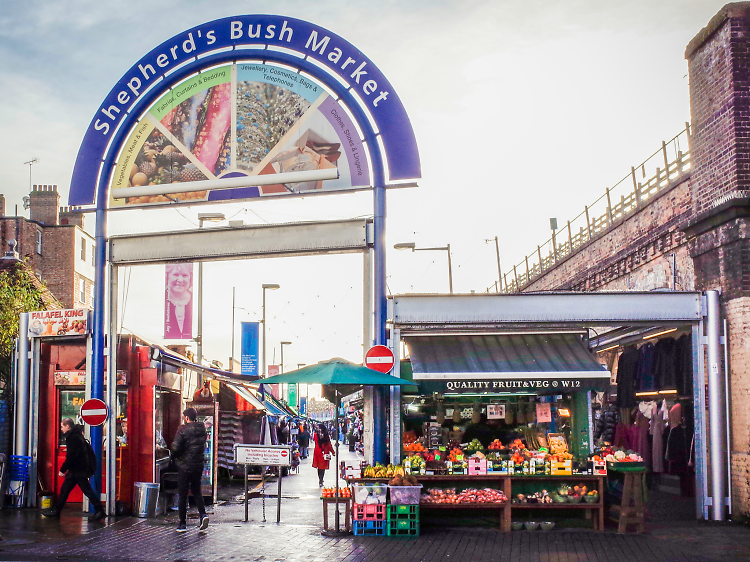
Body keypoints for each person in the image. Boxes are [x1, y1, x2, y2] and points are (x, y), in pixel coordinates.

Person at [42, 418, 106, 520]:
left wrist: (62, 470)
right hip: (78, 469)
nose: (61, 429)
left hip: (77, 470)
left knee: (83, 490)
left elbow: (71, 456)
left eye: (62, 426)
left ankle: (99, 510)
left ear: (68, 426)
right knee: (67, 490)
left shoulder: (72, 438)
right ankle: (56, 510)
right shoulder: (77, 435)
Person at [170, 407, 209, 533]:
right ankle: (203, 515)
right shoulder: (202, 429)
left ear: (186, 417)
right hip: (198, 465)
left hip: (184, 465)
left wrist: (175, 455)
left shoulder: (182, 429)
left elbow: (175, 448)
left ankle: (182, 524)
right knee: (197, 491)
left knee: (183, 494)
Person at [164, 263, 193, 339]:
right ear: (167, 276)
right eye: (176, 275)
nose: (180, 280)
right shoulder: (161, 299)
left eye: (184, 275)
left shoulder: (196, 302)